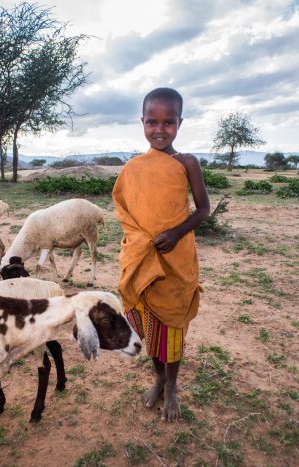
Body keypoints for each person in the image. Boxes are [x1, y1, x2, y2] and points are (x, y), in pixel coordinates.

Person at [112, 87, 210, 422]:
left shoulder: (187, 163)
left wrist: (176, 232)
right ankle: (157, 376)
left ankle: (171, 387)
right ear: (142, 121)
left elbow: (203, 209)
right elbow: (124, 209)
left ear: (180, 123)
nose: (160, 129)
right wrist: (140, 242)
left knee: (172, 330)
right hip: (143, 262)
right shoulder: (133, 168)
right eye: (152, 121)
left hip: (176, 263)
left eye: (168, 122)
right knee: (150, 330)